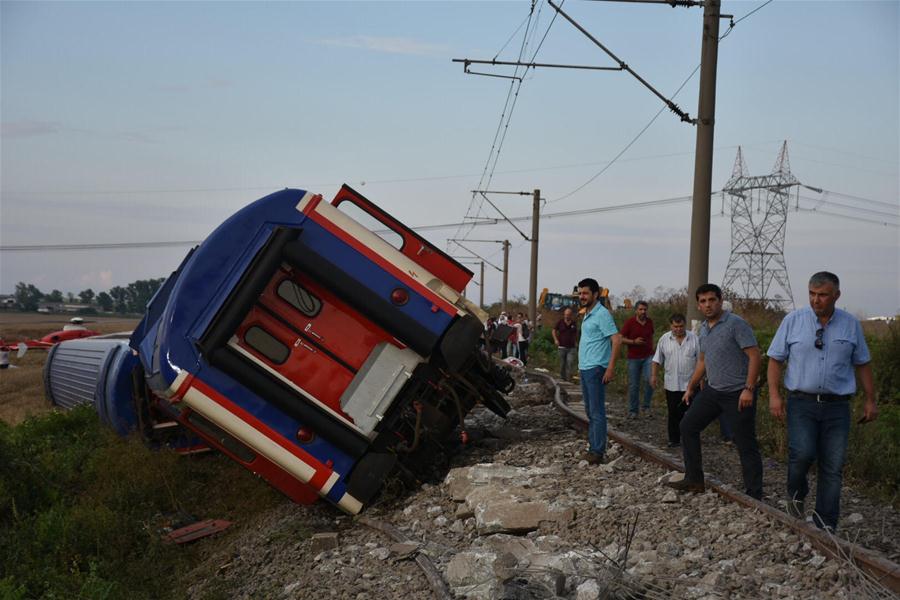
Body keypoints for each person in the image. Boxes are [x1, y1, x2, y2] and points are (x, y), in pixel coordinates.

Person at [767, 271, 877, 531]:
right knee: (802, 454)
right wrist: (774, 396)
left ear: (836, 295)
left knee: (833, 465)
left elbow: (862, 363)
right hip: (801, 403)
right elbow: (774, 360)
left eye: (823, 295)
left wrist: (871, 400)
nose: (816, 300)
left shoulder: (851, 325)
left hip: (837, 406)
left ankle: (825, 524)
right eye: (812, 294)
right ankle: (795, 501)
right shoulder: (793, 321)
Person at [666, 283, 763, 499]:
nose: (708, 305)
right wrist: (691, 387)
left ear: (720, 301)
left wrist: (749, 388)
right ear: (698, 305)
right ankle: (694, 479)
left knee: (745, 442)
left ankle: (755, 494)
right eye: (703, 301)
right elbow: (702, 361)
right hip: (713, 390)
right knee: (688, 426)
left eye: (712, 300)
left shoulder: (736, 324)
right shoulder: (703, 329)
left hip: (738, 392)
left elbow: (755, 356)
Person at [577, 278, 623, 464]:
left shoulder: (602, 314)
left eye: (586, 293)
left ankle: (597, 451)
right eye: (580, 293)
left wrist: (610, 367)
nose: (582, 296)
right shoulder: (588, 314)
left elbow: (617, 339)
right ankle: (594, 446)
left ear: (596, 294)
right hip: (585, 367)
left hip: (596, 368)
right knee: (590, 410)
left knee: (596, 411)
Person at [650, 313, 699, 448]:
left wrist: (702, 382)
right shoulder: (664, 339)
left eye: (681, 326)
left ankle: (690, 438)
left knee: (691, 414)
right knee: (673, 413)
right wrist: (653, 376)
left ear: (685, 325)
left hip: (691, 384)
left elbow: (701, 361)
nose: (678, 329)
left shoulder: (694, 339)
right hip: (671, 384)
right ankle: (674, 439)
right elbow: (656, 360)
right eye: (675, 326)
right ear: (671, 326)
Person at [620, 300, 655, 418]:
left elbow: (652, 336)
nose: (643, 311)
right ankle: (633, 411)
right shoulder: (630, 322)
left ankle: (646, 407)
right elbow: (620, 338)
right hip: (634, 358)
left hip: (648, 356)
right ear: (636, 310)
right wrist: (634, 342)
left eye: (645, 309)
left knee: (650, 380)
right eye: (640, 309)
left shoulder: (650, 322)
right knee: (634, 385)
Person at [552, 308, 578, 381]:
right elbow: (553, 330)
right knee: (562, 364)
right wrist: (555, 340)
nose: (567, 316)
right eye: (566, 315)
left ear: (571, 315)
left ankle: (568, 379)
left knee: (570, 363)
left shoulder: (574, 323)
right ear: (564, 315)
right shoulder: (560, 322)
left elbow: (576, 333)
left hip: (571, 348)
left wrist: (576, 341)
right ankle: (562, 378)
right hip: (562, 347)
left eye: (568, 315)